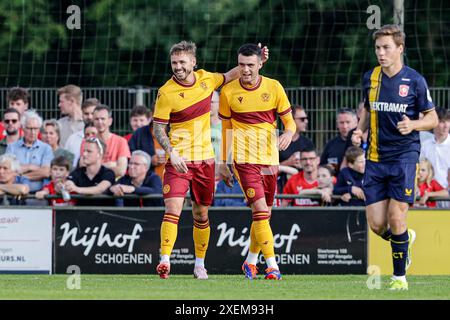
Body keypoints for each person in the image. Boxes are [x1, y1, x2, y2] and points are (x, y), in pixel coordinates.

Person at [152, 40, 268, 280]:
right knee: (172, 208)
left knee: (201, 214)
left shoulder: (207, 79)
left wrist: (259, 62)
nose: (178, 67)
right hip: (179, 161)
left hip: (205, 161)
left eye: (182, 62)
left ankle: (199, 265)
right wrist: (171, 151)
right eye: (174, 63)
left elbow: (232, 74)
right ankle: (165, 260)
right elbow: (158, 128)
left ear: (193, 63)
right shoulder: (166, 92)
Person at [351, 24, 438, 290]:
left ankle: (399, 278)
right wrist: (359, 129)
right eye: (377, 47)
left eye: (386, 47)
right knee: (378, 225)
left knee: (396, 218)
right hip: (375, 158)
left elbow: (432, 119)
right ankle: (403, 240)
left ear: (400, 48)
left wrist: (413, 125)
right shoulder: (371, 78)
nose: (381, 52)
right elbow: (367, 109)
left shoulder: (415, 81)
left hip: (404, 157)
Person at [219, 43, 295, 281]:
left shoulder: (274, 87)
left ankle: (250, 262)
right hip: (244, 160)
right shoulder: (228, 92)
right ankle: (273, 267)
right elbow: (225, 130)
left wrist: (288, 134)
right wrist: (223, 162)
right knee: (261, 211)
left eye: (251, 65)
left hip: (269, 159)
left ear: (261, 63)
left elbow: (289, 122)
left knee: (264, 214)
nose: (246, 70)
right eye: (241, 64)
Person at [6, 110, 54, 197]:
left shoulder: (46, 148)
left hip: (38, 196)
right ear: (23, 128)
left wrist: (21, 175)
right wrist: (30, 167)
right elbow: (9, 172)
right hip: (15, 194)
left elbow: (45, 172)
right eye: (29, 128)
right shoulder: (12, 147)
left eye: (36, 128)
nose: (33, 132)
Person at [64, 137, 116, 207]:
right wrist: (64, 187)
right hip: (81, 216)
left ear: (99, 154)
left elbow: (99, 189)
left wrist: (77, 189)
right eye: (84, 151)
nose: (84, 154)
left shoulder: (108, 173)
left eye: (89, 151)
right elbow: (69, 183)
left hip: (104, 216)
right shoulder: (77, 172)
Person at [278, 105, 315, 192]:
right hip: (279, 186)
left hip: (302, 189)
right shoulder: (277, 139)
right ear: (291, 120)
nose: (306, 121)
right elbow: (266, 169)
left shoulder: (307, 142)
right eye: (302, 119)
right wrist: (287, 163)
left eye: (306, 118)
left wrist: (304, 163)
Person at [420, 107, 450, 208]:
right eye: (442, 122)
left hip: (446, 196)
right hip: (429, 199)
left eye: (448, 121)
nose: (446, 126)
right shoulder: (425, 145)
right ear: (434, 123)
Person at [93, 104, 131, 178]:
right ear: (93, 121)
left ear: (110, 121)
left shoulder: (121, 141)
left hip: (114, 185)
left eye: (103, 119)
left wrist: (96, 167)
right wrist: (110, 165)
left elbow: (121, 171)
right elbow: (85, 170)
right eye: (96, 119)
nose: (100, 122)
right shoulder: (88, 141)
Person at [64, 98, 101, 168]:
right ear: (82, 114)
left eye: (93, 113)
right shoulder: (72, 139)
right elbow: (65, 163)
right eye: (86, 114)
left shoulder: (106, 138)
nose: (90, 117)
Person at [321, 108, 358, 173]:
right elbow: (322, 165)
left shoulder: (362, 142)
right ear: (337, 125)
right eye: (341, 123)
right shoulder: (331, 144)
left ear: (356, 123)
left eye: (348, 122)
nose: (345, 126)